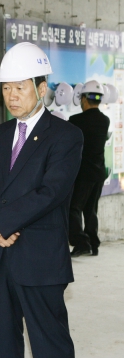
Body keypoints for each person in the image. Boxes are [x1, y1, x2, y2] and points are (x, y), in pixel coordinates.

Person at [0, 42, 82, 358]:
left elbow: (51, 192)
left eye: (19, 87)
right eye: (6, 88)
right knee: (3, 344)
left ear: (41, 87)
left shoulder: (66, 136)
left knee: (50, 347)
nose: (11, 96)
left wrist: (1, 223)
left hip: (39, 258)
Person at [68, 80, 111, 257]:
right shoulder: (105, 120)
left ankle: (81, 242)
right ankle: (93, 243)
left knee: (73, 208)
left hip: (83, 174)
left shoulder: (75, 120)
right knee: (91, 210)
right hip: (98, 173)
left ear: (84, 99)